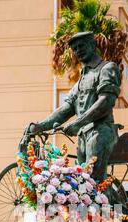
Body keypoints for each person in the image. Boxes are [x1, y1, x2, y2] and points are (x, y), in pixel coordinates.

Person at [28, 31, 120, 183]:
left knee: (92, 182)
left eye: (81, 46)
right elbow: (66, 108)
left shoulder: (107, 68)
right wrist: (41, 126)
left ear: (92, 45)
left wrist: (78, 123)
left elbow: (106, 101)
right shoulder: (81, 81)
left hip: (101, 132)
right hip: (84, 136)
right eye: (75, 48)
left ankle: (114, 207)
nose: (78, 51)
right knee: (82, 184)